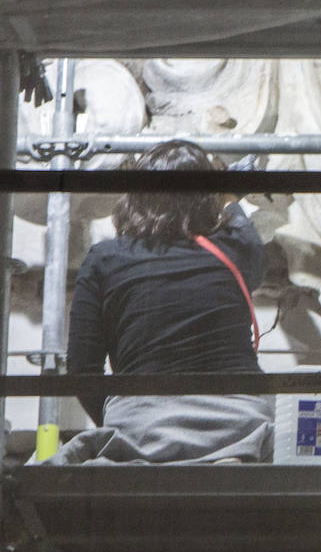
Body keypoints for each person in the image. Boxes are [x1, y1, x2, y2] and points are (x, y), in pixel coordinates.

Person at [46, 140, 273, 464]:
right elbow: (243, 231)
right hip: (240, 426)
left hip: (142, 426)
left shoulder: (104, 259)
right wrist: (229, 198)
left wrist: (128, 422)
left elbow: (83, 368)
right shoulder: (236, 249)